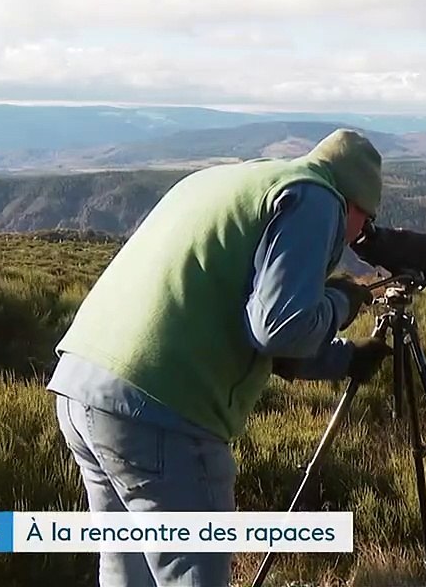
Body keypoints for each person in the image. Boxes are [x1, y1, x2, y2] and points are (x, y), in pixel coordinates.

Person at [46, 129, 392, 587]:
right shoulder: (317, 198)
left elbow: (249, 327)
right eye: (362, 227)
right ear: (355, 204)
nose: (356, 239)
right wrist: (341, 304)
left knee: (127, 571)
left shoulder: (230, 182)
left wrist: (342, 359)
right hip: (163, 411)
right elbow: (280, 329)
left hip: (83, 386)